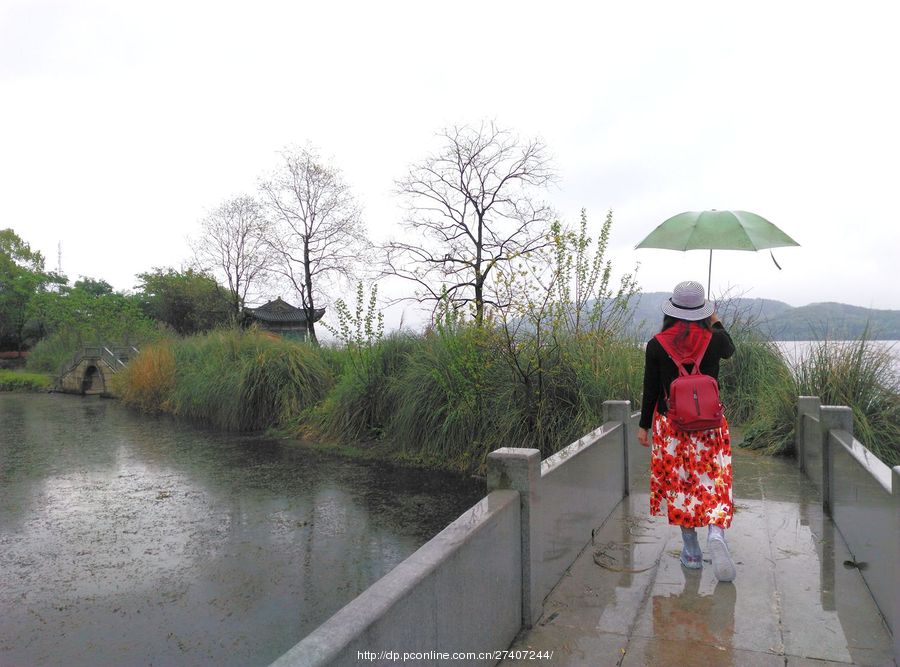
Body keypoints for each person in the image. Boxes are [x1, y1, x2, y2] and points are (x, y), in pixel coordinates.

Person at [637, 280, 737, 581]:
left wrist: (644, 427)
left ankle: (691, 550)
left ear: (673, 310)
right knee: (714, 480)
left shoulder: (656, 344)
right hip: (710, 427)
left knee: (681, 486)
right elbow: (730, 348)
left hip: (673, 428)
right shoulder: (715, 339)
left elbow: (651, 389)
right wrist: (716, 322)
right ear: (703, 310)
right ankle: (716, 532)